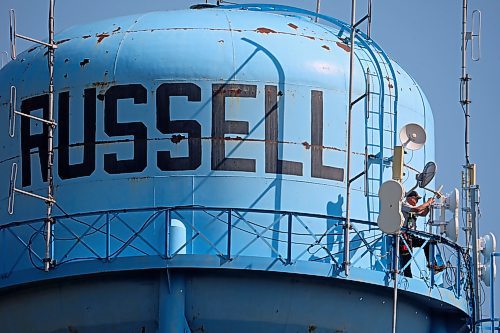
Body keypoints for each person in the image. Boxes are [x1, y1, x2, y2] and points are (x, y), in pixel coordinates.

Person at [400, 190, 445, 277]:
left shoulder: (411, 208)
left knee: (427, 244)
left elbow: (423, 213)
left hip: (410, 236)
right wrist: (427, 203)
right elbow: (418, 209)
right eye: (416, 199)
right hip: (403, 236)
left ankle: (433, 265)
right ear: (410, 198)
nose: (417, 201)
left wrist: (429, 205)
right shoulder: (404, 205)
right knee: (407, 256)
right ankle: (407, 277)